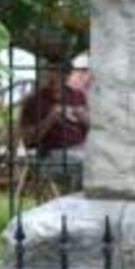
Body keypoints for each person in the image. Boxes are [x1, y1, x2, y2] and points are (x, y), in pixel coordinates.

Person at [18, 58, 90, 192]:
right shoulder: (34, 101)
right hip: (50, 154)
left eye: (57, 73)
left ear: (67, 75)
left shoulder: (77, 96)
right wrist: (50, 118)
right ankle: (75, 206)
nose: (52, 77)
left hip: (82, 148)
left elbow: (93, 129)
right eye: (49, 72)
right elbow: (27, 140)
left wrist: (85, 118)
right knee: (87, 166)